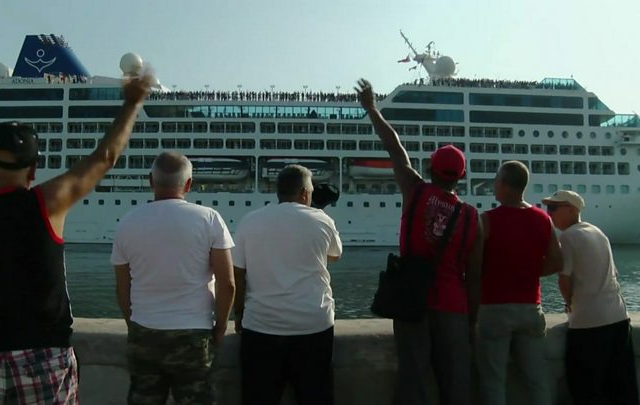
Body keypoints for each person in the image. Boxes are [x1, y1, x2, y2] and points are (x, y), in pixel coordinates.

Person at [0, 73, 152, 403]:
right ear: (33, 171)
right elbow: (104, 157)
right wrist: (132, 103)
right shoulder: (47, 203)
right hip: (43, 360)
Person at [355, 79, 483, 405]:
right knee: (456, 382)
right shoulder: (471, 216)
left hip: (412, 299)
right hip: (453, 306)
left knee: (414, 379)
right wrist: (473, 320)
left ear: (430, 168)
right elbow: (474, 274)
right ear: (461, 176)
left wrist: (371, 108)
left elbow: (394, 147)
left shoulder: (416, 191)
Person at [111, 152, 235, 405]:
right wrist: (220, 326)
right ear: (189, 184)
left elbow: (123, 287)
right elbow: (228, 283)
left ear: (150, 181)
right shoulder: (209, 218)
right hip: (194, 334)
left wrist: (133, 323)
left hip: (144, 332)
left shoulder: (127, 222)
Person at [232, 164, 342, 405]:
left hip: (261, 326)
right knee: (315, 397)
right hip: (313, 326)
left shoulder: (250, 221)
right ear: (305, 193)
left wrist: (239, 312)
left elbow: (237, 273)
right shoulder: (322, 220)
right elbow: (334, 255)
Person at [476, 161, 563, 405]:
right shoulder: (542, 219)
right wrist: (530, 272)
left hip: (494, 307)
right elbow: (557, 262)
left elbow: (474, 264)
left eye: (496, 180)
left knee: (494, 380)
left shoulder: (488, 220)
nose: (494, 185)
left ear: (503, 184)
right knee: (537, 379)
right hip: (530, 308)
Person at [543, 190, 639, 404]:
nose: (549, 214)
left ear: (571, 210)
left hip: (589, 324)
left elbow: (564, 279)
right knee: (621, 387)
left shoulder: (569, 236)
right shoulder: (598, 232)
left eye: (553, 208)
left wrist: (568, 303)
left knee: (587, 387)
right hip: (618, 317)